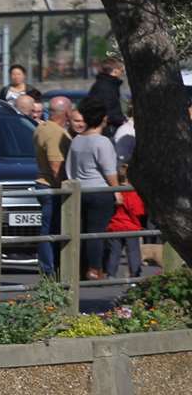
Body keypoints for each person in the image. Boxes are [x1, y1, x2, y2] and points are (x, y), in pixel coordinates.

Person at [67, 98, 119, 280]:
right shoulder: (102, 142)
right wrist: (117, 191)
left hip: (80, 190)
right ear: (103, 119)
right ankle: (95, 268)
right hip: (99, 190)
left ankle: (80, 268)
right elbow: (109, 171)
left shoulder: (77, 140)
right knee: (96, 232)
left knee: (81, 231)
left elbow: (70, 169)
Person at [33, 95, 73, 275]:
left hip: (42, 183)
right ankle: (49, 270)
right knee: (51, 230)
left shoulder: (43, 128)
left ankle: (49, 267)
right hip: (51, 186)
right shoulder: (55, 133)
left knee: (49, 228)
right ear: (66, 112)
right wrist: (64, 189)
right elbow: (56, 165)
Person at [106, 184, 146, 281]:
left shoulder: (114, 190)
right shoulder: (132, 192)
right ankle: (135, 274)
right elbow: (138, 211)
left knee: (114, 252)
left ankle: (111, 274)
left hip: (114, 225)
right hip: (130, 226)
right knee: (133, 252)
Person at [84, 58, 126, 130]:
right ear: (115, 71)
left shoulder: (103, 84)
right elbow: (110, 112)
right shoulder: (107, 88)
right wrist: (123, 120)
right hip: (107, 129)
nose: (123, 74)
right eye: (121, 71)